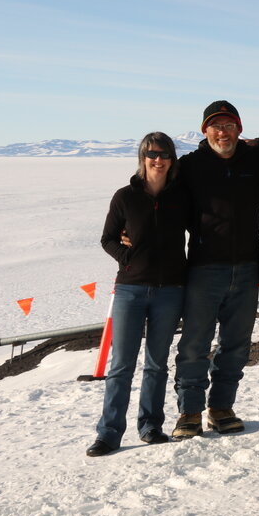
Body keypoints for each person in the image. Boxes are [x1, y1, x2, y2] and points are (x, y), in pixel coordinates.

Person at [172, 100, 259, 438]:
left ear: (239, 129)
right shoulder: (190, 165)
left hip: (246, 268)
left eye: (229, 125)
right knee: (194, 344)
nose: (222, 131)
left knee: (236, 344)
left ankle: (221, 408)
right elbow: (152, 189)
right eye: (215, 126)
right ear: (205, 131)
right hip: (204, 269)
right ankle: (189, 412)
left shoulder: (255, 161)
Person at [87, 133, 188, 456]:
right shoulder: (125, 197)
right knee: (121, 364)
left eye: (164, 154)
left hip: (170, 291)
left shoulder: (181, 197)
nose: (158, 160)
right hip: (130, 290)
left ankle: (150, 426)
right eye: (152, 154)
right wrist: (127, 257)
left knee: (157, 364)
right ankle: (109, 433)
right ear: (142, 158)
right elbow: (107, 239)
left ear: (172, 159)